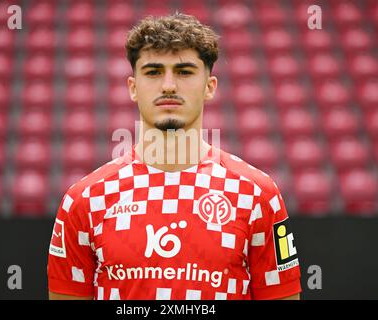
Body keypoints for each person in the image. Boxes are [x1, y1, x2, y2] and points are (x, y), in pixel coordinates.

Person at [47, 13, 301, 300]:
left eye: (184, 71)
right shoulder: (84, 199)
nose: (168, 85)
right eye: (154, 72)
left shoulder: (257, 194)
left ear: (210, 86)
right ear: (133, 87)